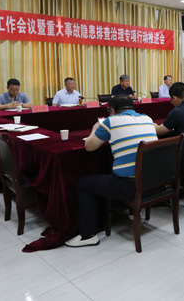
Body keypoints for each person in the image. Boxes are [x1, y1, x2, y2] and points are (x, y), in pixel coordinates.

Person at [65, 95, 158, 247]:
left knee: (84, 183)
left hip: (132, 188)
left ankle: (88, 235)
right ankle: (132, 213)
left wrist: (95, 129)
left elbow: (89, 146)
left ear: (112, 110)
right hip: (154, 184)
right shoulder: (147, 118)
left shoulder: (110, 121)